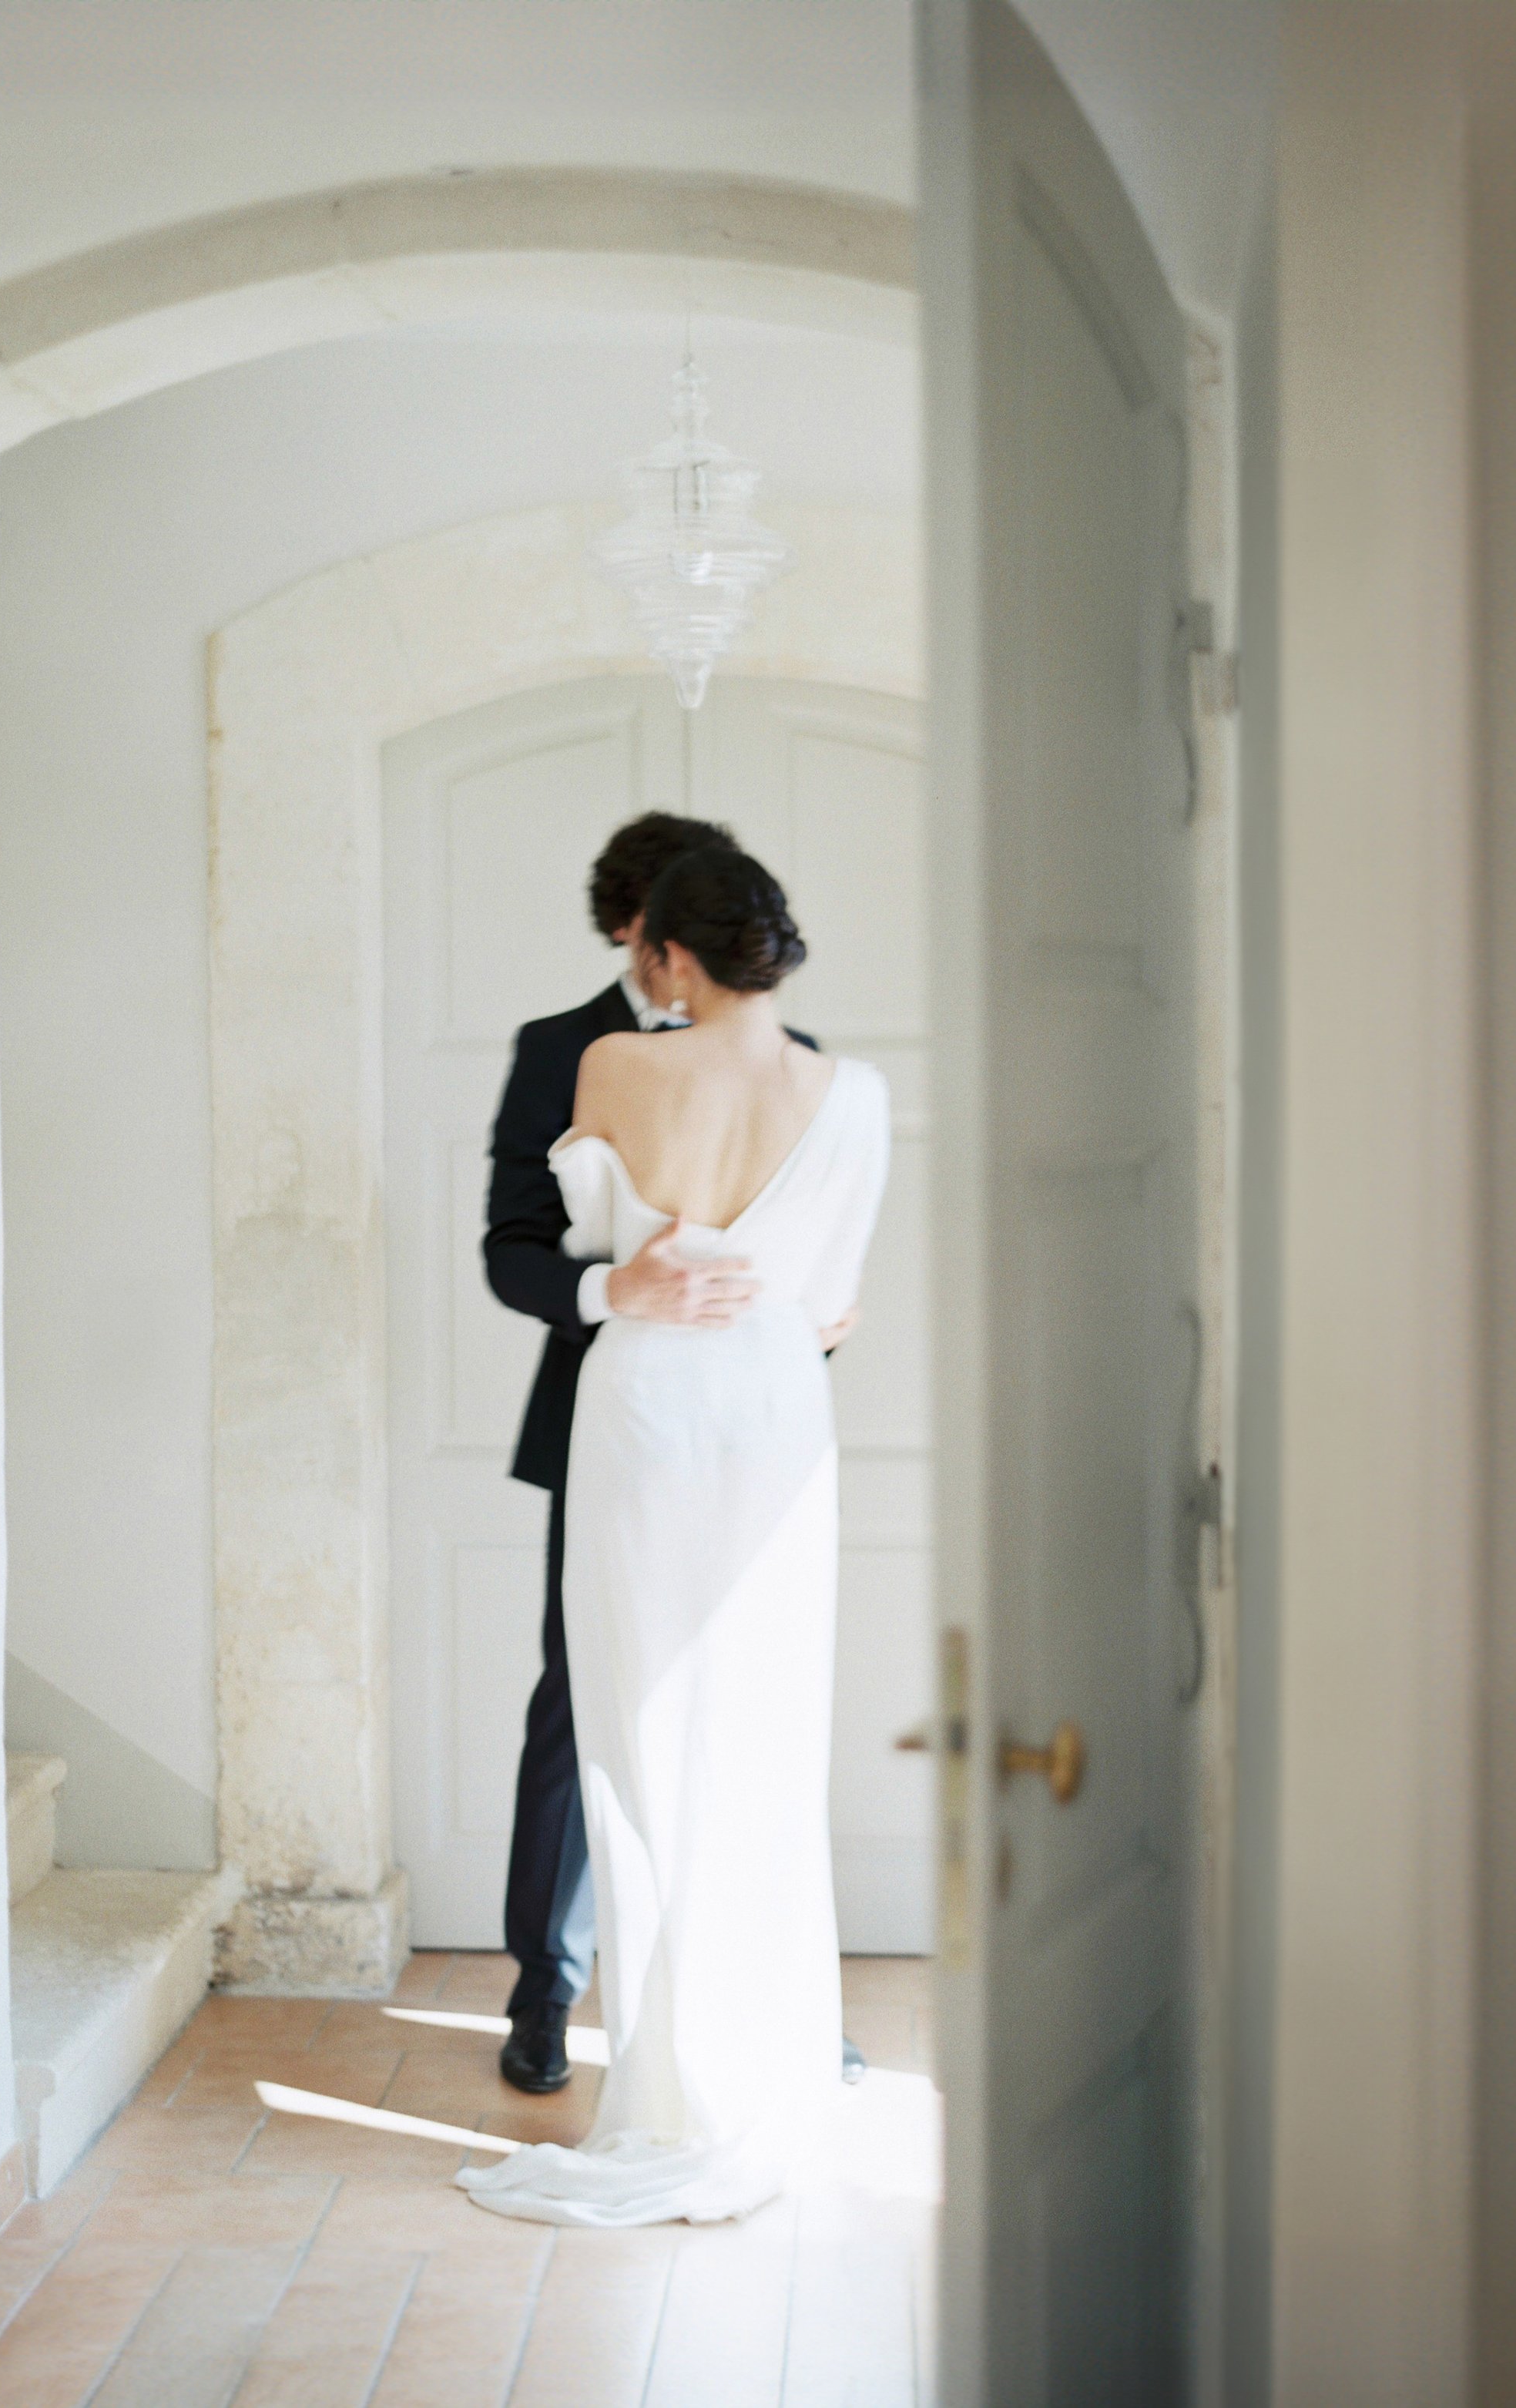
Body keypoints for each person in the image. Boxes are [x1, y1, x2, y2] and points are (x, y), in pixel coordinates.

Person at [464, 845, 890, 2227]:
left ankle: (696, 2059)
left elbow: (620, 1208)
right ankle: (572, 2000)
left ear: (663, 947)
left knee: (653, 1734)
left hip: (650, 1409)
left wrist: (653, 1274)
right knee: (669, 1715)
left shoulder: (614, 1072)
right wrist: (627, 1286)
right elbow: (534, 1251)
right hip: (768, 1411)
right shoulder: (851, 1090)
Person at [482, 811, 759, 2094]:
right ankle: (545, 1991)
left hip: (745, 1435)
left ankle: (767, 1993)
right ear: (631, 933)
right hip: (600, 1420)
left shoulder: (789, 1055)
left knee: (741, 1702)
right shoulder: (556, 1048)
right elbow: (512, 1252)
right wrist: (616, 1296)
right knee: (577, 1704)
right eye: (676, 930)